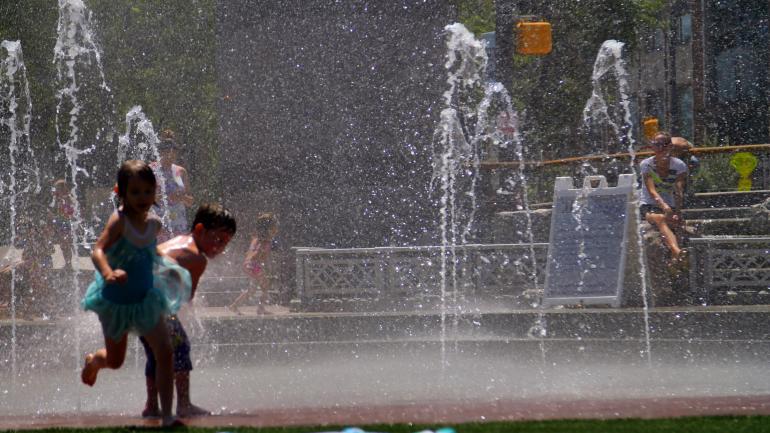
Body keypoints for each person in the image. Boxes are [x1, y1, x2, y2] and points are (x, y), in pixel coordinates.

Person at [80, 160, 191, 428]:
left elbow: (150, 253)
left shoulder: (154, 224)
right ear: (122, 194)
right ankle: (95, 361)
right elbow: (97, 250)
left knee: (164, 352)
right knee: (115, 361)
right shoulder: (119, 221)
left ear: (155, 192)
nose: (143, 198)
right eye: (136, 192)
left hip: (145, 301)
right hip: (116, 302)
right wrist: (108, 273)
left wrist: (169, 266)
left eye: (148, 191)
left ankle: (167, 417)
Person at [140, 203, 236, 418]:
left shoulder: (176, 242)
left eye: (225, 244)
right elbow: (187, 296)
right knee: (180, 348)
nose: (219, 248)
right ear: (200, 230)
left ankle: (151, 406)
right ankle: (184, 404)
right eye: (218, 240)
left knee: (155, 355)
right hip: (155, 306)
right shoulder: (197, 257)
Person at [639, 132, 689, 262]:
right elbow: (652, 191)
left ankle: (675, 261)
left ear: (670, 147)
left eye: (663, 145)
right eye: (656, 145)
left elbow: (678, 191)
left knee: (676, 224)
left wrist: (677, 211)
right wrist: (664, 206)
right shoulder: (646, 164)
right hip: (648, 205)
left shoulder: (679, 166)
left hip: (669, 206)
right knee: (661, 218)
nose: (659, 148)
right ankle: (677, 251)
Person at [228, 213, 278, 315]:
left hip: (249, 264)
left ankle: (234, 306)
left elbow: (249, 253)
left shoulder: (256, 238)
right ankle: (260, 308)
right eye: (274, 227)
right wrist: (260, 260)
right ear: (269, 229)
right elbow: (259, 255)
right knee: (265, 285)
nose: (276, 229)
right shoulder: (266, 241)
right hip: (254, 265)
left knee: (253, 290)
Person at [152, 129, 193, 242]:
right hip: (158, 226)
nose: (170, 154)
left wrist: (180, 197)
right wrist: (161, 197)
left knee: (177, 257)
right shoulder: (151, 170)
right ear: (160, 152)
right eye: (167, 151)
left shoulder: (180, 172)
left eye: (173, 151)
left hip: (179, 226)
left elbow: (190, 202)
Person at [51, 179, 74, 269]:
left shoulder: (67, 198)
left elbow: (69, 212)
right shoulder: (60, 198)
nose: (55, 190)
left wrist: (55, 217)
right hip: (61, 224)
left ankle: (69, 264)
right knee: (63, 245)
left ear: (61, 189)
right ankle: (67, 263)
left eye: (56, 188)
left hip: (66, 225)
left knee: (65, 245)